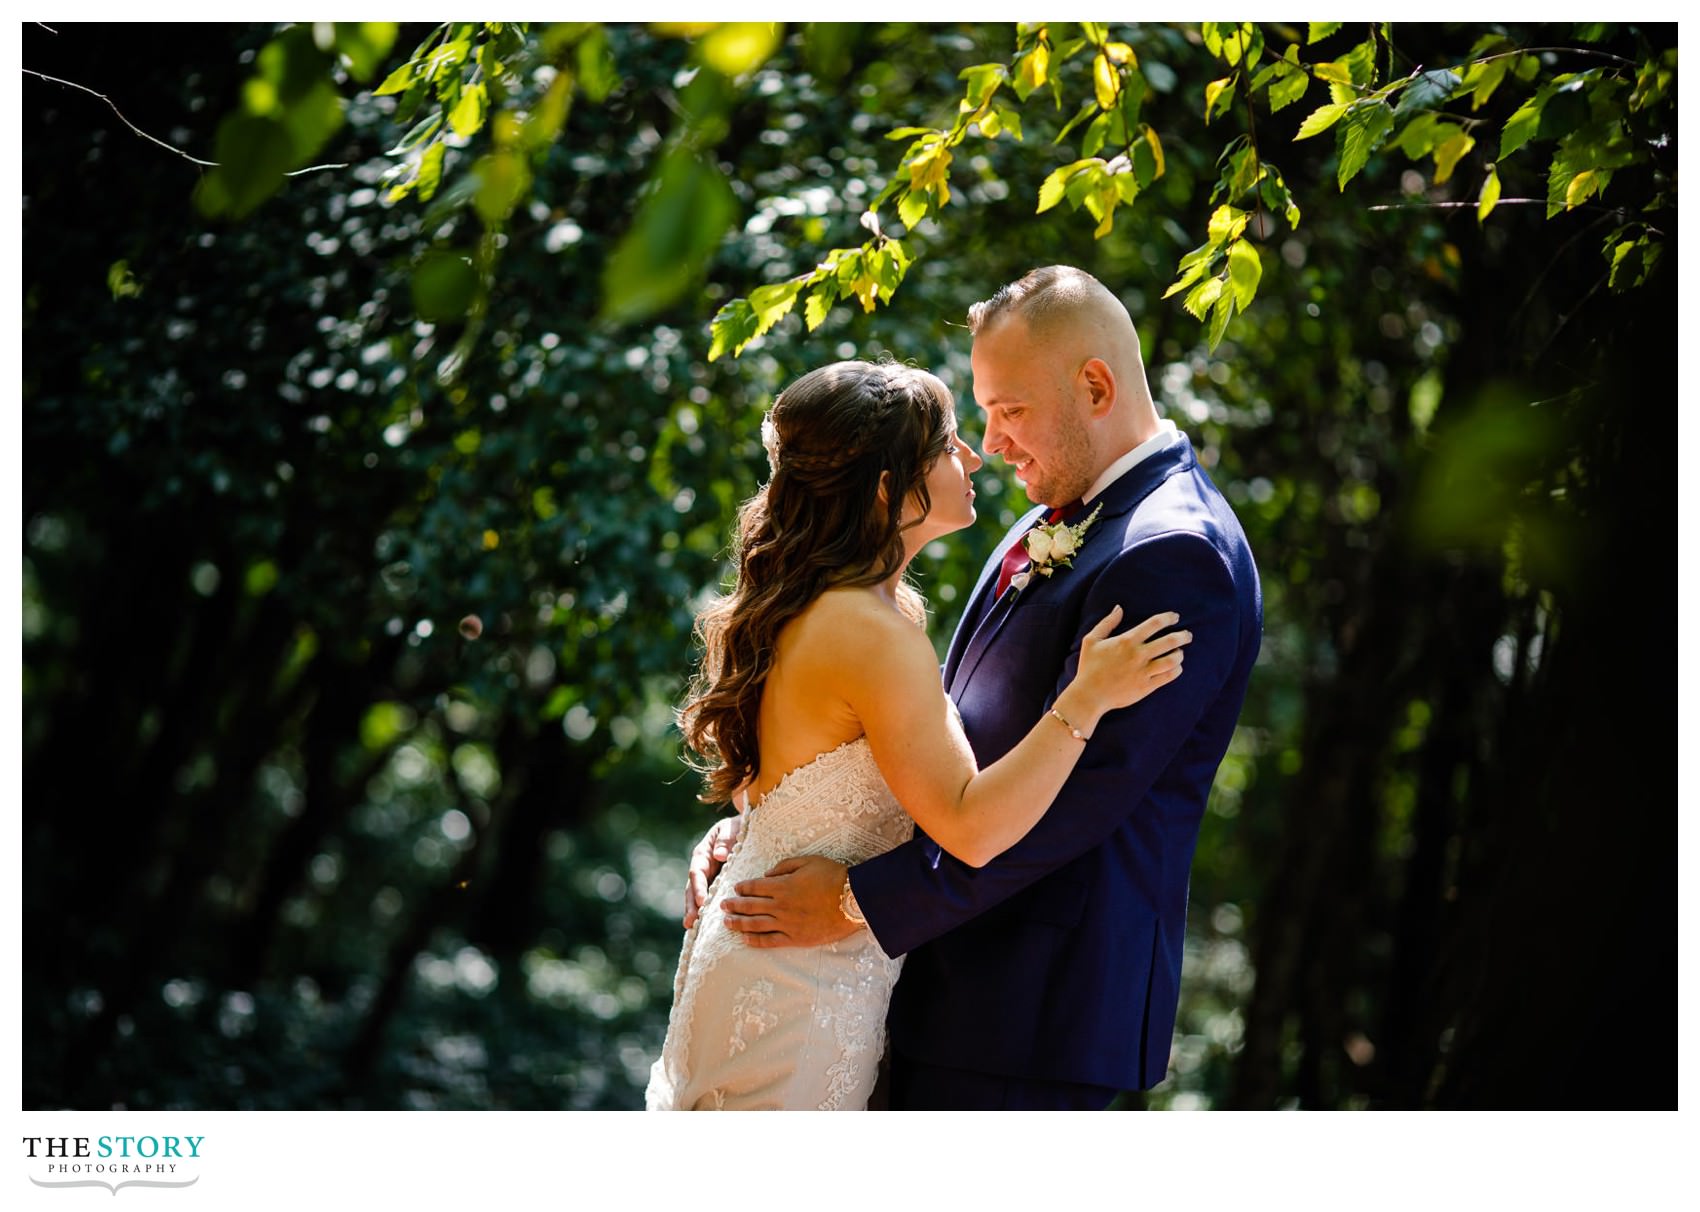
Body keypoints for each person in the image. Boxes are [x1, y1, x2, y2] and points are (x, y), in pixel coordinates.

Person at [689, 266, 1262, 1110]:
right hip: (924, 983)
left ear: (1095, 386)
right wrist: (772, 828)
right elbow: (922, 732)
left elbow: (1077, 806)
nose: (989, 446)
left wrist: (855, 901)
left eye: (1009, 411)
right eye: (980, 415)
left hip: (1029, 1017)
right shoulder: (1056, 514)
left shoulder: (1174, 553)